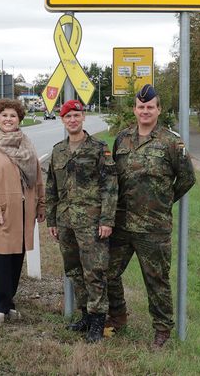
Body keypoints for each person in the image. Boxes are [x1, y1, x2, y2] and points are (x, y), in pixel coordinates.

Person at [105, 84, 196, 349]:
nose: (145, 111)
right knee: (108, 272)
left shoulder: (171, 142)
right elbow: (114, 178)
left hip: (154, 227)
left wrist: (164, 201)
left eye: (150, 107)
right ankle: (118, 317)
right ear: (134, 109)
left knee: (156, 280)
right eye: (141, 106)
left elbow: (187, 179)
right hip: (122, 222)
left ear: (158, 110)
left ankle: (162, 330)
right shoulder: (122, 139)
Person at [45, 99, 117, 343]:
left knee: (94, 271)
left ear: (83, 117)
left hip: (92, 221)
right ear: (62, 120)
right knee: (74, 270)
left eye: (76, 115)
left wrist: (107, 219)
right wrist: (52, 220)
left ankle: (98, 321)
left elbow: (110, 186)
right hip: (65, 221)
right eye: (68, 116)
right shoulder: (58, 151)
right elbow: (51, 188)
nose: (72, 120)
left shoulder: (99, 148)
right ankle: (85, 315)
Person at [0, 98, 46, 323]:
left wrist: (41, 204)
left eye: (13, 116)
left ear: (19, 120)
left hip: (23, 213)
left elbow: (38, 177)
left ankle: (9, 302)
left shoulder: (26, 144)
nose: (8, 119)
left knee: (16, 259)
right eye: (4, 115)